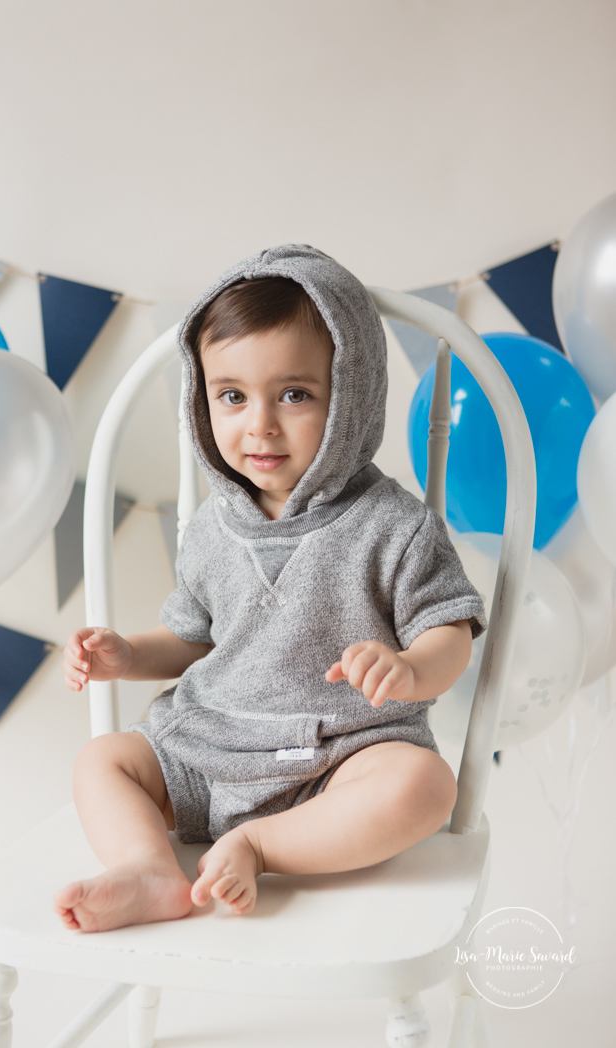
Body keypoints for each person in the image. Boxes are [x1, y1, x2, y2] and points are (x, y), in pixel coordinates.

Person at [54, 244, 487, 933]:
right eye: (231, 396)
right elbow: (193, 639)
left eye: (294, 394)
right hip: (209, 746)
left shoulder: (394, 525)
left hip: (339, 757)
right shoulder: (208, 528)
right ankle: (147, 868)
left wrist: (408, 669)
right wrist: (128, 656)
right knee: (101, 760)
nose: (258, 424)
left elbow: (450, 632)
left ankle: (262, 845)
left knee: (424, 787)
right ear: (202, 401)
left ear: (349, 395)